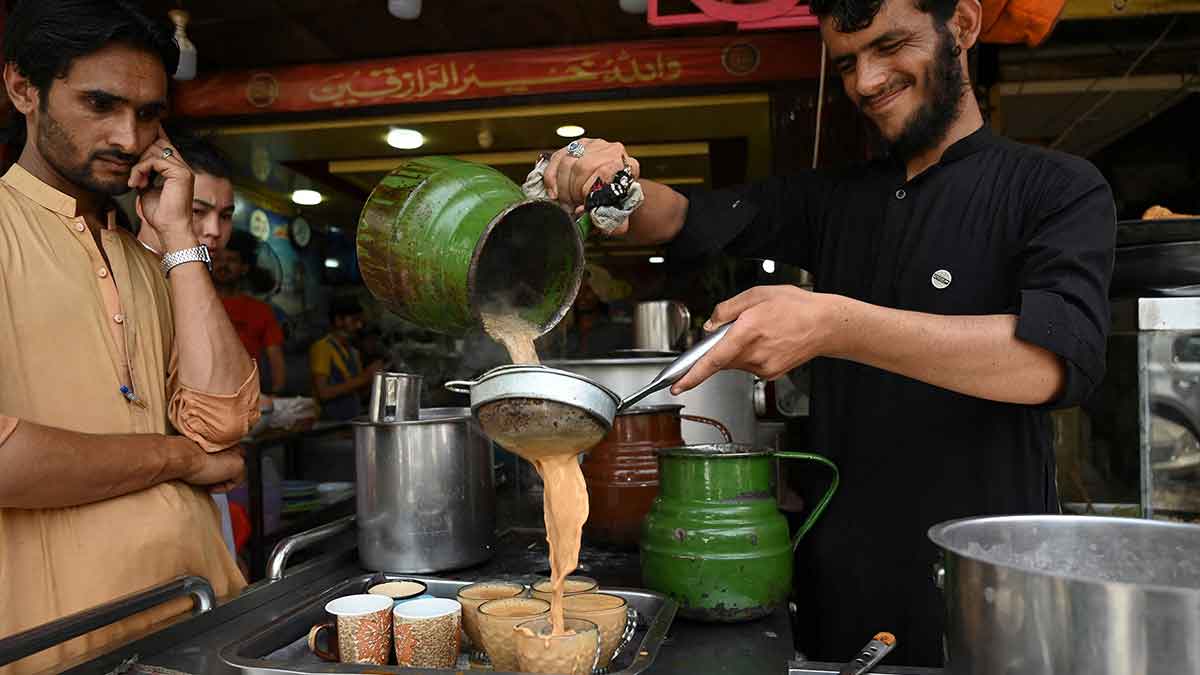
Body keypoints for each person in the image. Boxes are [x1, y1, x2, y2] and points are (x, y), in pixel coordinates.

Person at [539, 0, 1115, 665]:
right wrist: (605, 182)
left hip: (985, 599)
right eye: (846, 63)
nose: (865, 83)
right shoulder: (835, 198)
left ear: (962, 24)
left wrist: (832, 324)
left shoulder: (1056, 187)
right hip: (837, 602)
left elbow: (1052, 361)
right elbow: (681, 218)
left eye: (890, 46)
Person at [0, 2, 260, 673]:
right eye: (100, 104)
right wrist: (174, 459)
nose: (128, 134)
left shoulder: (156, 262)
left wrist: (179, 240)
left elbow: (224, 426)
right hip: (58, 649)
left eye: (149, 113)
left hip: (203, 620)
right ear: (23, 88)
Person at [136, 137, 287, 395]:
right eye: (197, 211)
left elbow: (227, 399)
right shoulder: (121, 278)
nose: (215, 230)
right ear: (146, 207)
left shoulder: (201, 290)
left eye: (226, 216)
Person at [309, 297, 383, 420]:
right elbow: (323, 393)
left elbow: (358, 394)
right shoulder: (322, 348)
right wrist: (365, 377)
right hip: (328, 425)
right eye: (354, 320)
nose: (359, 326)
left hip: (350, 422)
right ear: (338, 320)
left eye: (360, 321)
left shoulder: (353, 352)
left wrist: (374, 379)